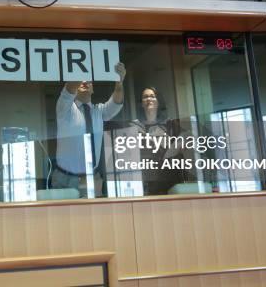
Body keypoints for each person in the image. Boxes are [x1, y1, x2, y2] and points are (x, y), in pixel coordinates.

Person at [53, 62, 126, 197]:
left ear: (93, 89)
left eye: (89, 80)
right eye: (82, 79)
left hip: (91, 176)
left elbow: (116, 102)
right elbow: (69, 89)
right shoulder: (65, 109)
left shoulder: (98, 111)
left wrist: (119, 83)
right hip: (65, 177)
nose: (85, 81)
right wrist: (83, 64)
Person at [133, 87, 185, 195]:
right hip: (148, 181)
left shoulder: (169, 124)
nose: (149, 99)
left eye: (152, 96)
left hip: (171, 179)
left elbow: (185, 141)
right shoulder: (136, 126)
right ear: (141, 103)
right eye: (145, 97)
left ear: (158, 101)